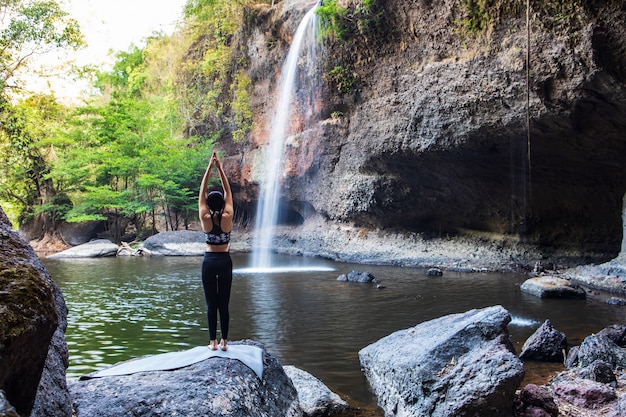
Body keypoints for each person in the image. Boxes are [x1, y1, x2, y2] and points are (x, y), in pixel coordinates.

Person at [198, 151, 234, 351]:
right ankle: (225, 342)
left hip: (209, 261)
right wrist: (220, 168)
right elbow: (228, 192)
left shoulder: (205, 217)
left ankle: (212, 342)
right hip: (225, 260)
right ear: (222, 203)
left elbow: (201, 194)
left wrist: (209, 169)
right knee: (224, 304)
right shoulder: (228, 216)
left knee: (211, 303)